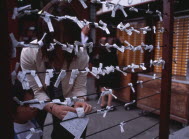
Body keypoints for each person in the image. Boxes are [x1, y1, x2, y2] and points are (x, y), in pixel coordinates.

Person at [20, 1, 92, 139]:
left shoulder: (80, 53)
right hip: (37, 96)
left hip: (66, 96)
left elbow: (79, 87)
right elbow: (35, 91)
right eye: (55, 36)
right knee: (32, 132)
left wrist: (80, 100)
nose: (61, 42)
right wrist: (51, 107)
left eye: (66, 36)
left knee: (72, 132)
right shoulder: (29, 52)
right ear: (43, 32)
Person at [96, 37, 121, 109]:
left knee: (103, 86)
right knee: (111, 87)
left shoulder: (101, 49)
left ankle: (103, 103)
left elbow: (99, 60)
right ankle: (109, 105)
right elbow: (115, 62)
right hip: (111, 70)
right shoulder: (113, 50)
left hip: (102, 69)